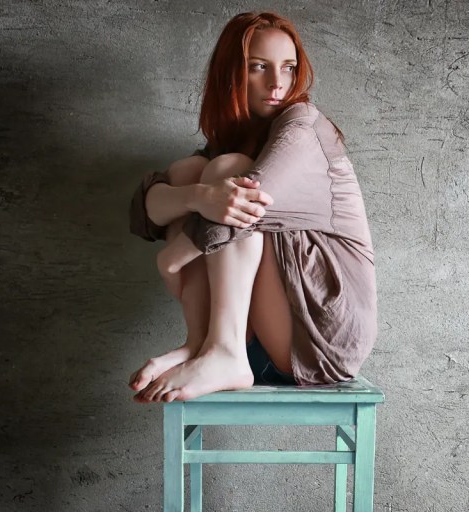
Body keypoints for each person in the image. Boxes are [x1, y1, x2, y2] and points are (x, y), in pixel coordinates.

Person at [126, 11, 376, 402]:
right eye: (259, 67)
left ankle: (223, 351)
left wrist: (169, 259)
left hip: (322, 334)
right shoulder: (236, 140)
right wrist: (196, 196)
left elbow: (246, 208)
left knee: (229, 174)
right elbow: (144, 213)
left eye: (288, 68)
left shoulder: (303, 126)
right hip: (264, 333)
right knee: (192, 171)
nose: (278, 83)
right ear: (232, 74)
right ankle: (203, 345)